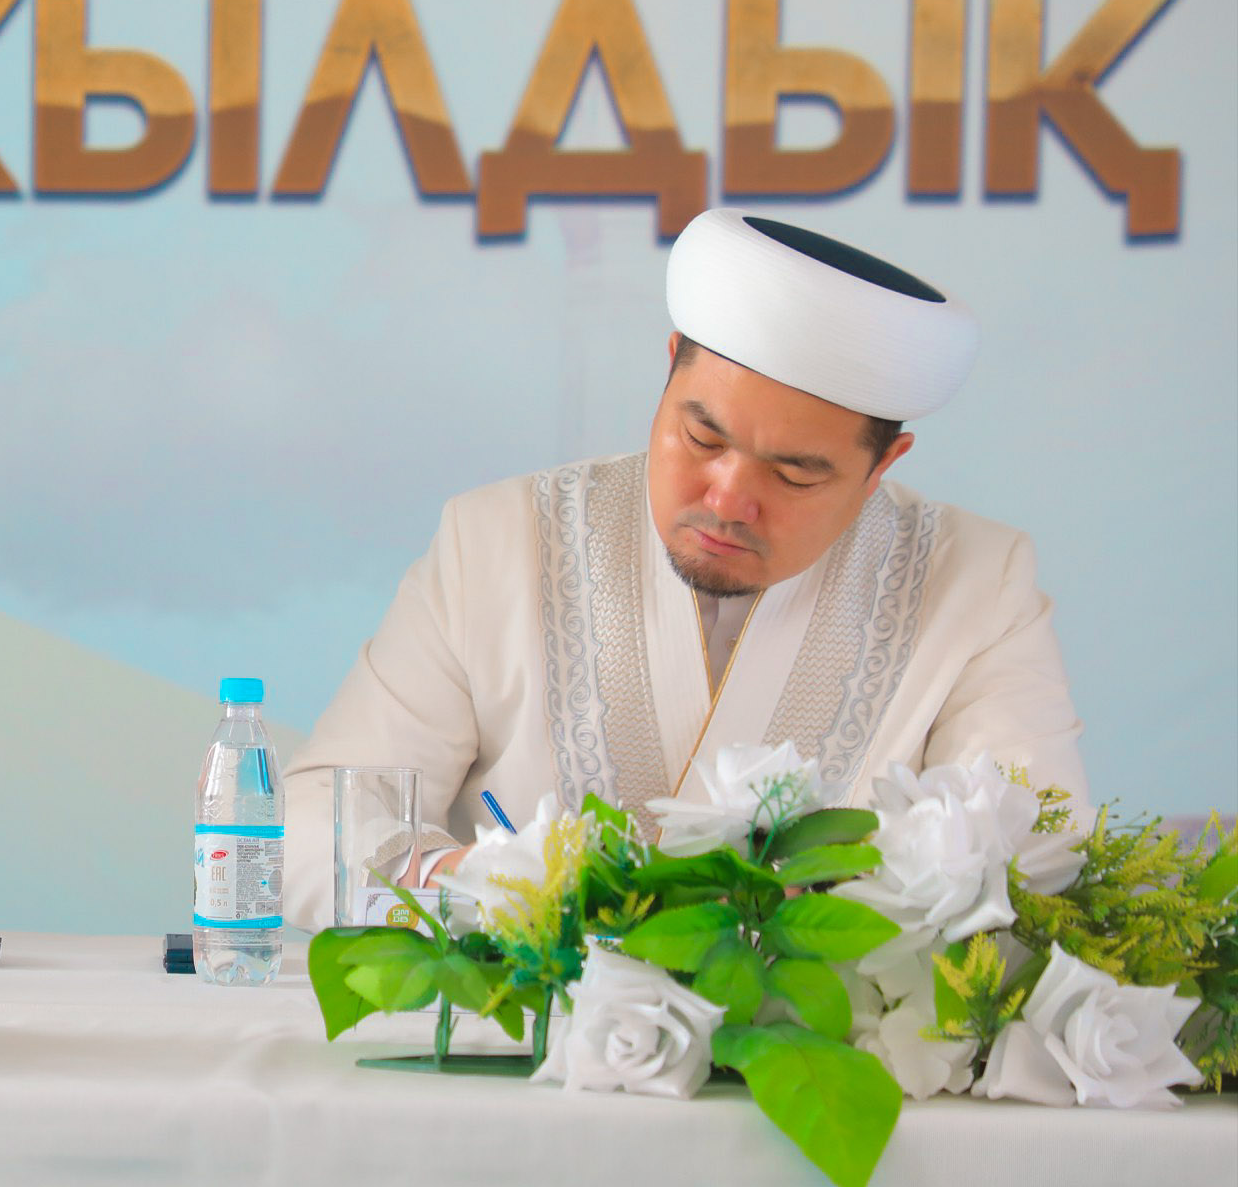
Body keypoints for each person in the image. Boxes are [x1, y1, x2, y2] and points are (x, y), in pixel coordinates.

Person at [286, 209, 1087, 930]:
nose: (728, 499)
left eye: (795, 474)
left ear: (883, 465)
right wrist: (474, 881)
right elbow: (311, 821)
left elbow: (1034, 863)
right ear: (669, 367)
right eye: (703, 438)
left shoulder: (978, 586)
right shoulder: (496, 542)